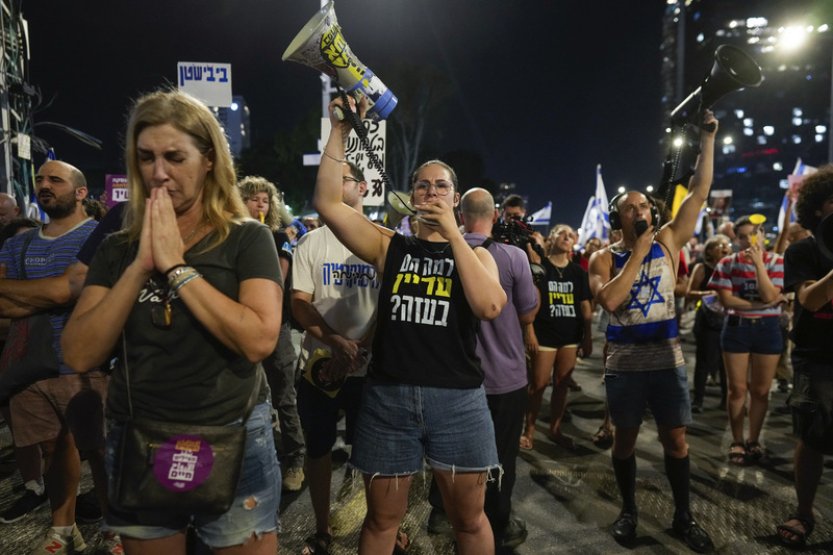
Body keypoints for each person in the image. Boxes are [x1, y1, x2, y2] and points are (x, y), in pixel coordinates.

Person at [61, 90, 282, 555]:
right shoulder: (119, 248)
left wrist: (178, 269)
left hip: (233, 434)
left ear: (208, 160)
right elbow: (79, 352)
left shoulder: (247, 238)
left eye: (174, 157)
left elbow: (259, 339)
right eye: (146, 157)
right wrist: (142, 263)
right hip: (142, 438)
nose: (159, 172)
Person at [313, 96, 506, 555]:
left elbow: (490, 307)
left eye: (441, 187)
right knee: (382, 520)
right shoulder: (389, 247)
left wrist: (454, 234)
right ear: (411, 195)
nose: (431, 193)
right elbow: (327, 202)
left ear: (456, 200)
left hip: (458, 399)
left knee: (469, 520)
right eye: (422, 186)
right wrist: (338, 129)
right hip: (390, 397)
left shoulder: (477, 255)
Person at [588, 110, 717, 553]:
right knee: (624, 439)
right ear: (618, 219)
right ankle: (629, 511)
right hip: (625, 365)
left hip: (666, 360)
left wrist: (707, 139)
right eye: (632, 208)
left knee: (675, 441)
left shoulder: (669, 240)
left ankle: (684, 516)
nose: (641, 211)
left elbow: (699, 191)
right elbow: (609, 300)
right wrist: (639, 253)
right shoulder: (604, 258)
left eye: (645, 206)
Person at [0, 160, 100, 553]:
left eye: (55, 180)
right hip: (31, 363)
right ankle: (63, 528)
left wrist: (26, 292)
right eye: (40, 179)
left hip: (88, 362)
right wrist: (54, 294)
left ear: (80, 192)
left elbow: (73, 292)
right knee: (51, 450)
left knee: (99, 448)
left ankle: (113, 525)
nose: (44, 185)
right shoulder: (16, 243)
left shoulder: (98, 238)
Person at [291, 161, 381, 555]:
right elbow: (299, 304)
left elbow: (391, 305)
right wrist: (334, 343)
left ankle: (382, 527)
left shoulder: (381, 240)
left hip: (368, 369)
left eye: (340, 179)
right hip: (319, 368)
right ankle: (323, 527)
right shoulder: (312, 243)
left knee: (375, 455)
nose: (329, 185)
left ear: (361, 187)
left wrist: (358, 348)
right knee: (319, 449)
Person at [776, 167, 833, 547]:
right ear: (817, 209)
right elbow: (810, 300)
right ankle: (804, 512)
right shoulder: (803, 250)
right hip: (817, 357)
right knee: (813, 438)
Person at [238, 175, 306, 492]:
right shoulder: (231, 235)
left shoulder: (278, 237)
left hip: (275, 327)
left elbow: (277, 279)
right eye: (254, 199)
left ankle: (295, 460)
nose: (260, 204)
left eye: (265, 200)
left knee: (284, 397)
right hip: (239, 325)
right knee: (243, 397)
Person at [708, 215, 784, 465]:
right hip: (736, 328)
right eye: (742, 236)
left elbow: (771, 293)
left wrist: (759, 265)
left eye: (753, 234)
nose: (748, 240)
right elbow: (727, 301)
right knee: (737, 389)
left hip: (768, 328)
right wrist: (763, 304)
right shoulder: (727, 263)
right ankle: (737, 440)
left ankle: (753, 439)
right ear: (736, 238)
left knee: (761, 391)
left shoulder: (777, 262)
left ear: (762, 235)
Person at [521, 224, 592, 451]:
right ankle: (528, 431)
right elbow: (529, 302)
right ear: (551, 238)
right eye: (562, 233)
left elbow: (584, 305)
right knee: (539, 385)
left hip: (570, 335)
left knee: (562, 384)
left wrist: (587, 336)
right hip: (545, 335)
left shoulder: (578, 272)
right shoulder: (541, 268)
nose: (567, 237)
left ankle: (555, 429)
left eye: (571, 235)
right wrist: (529, 331)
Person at [685, 234, 731, 413]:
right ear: (710, 251)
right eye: (721, 245)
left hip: (727, 318)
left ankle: (726, 400)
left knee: (726, 362)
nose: (726, 248)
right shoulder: (702, 268)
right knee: (704, 360)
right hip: (707, 320)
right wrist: (710, 294)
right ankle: (698, 400)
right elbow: (690, 292)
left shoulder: (731, 266)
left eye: (727, 245)